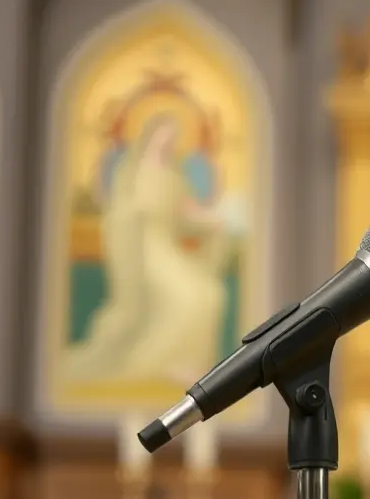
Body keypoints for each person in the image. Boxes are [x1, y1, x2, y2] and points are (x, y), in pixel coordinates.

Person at [66, 114, 241, 382]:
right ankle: (150, 364)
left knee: (209, 293)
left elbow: (186, 214)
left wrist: (214, 220)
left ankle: (185, 362)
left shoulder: (174, 176)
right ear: (152, 135)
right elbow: (118, 213)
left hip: (168, 250)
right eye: (164, 134)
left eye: (174, 137)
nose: (169, 141)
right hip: (143, 252)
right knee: (189, 297)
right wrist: (134, 214)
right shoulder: (132, 171)